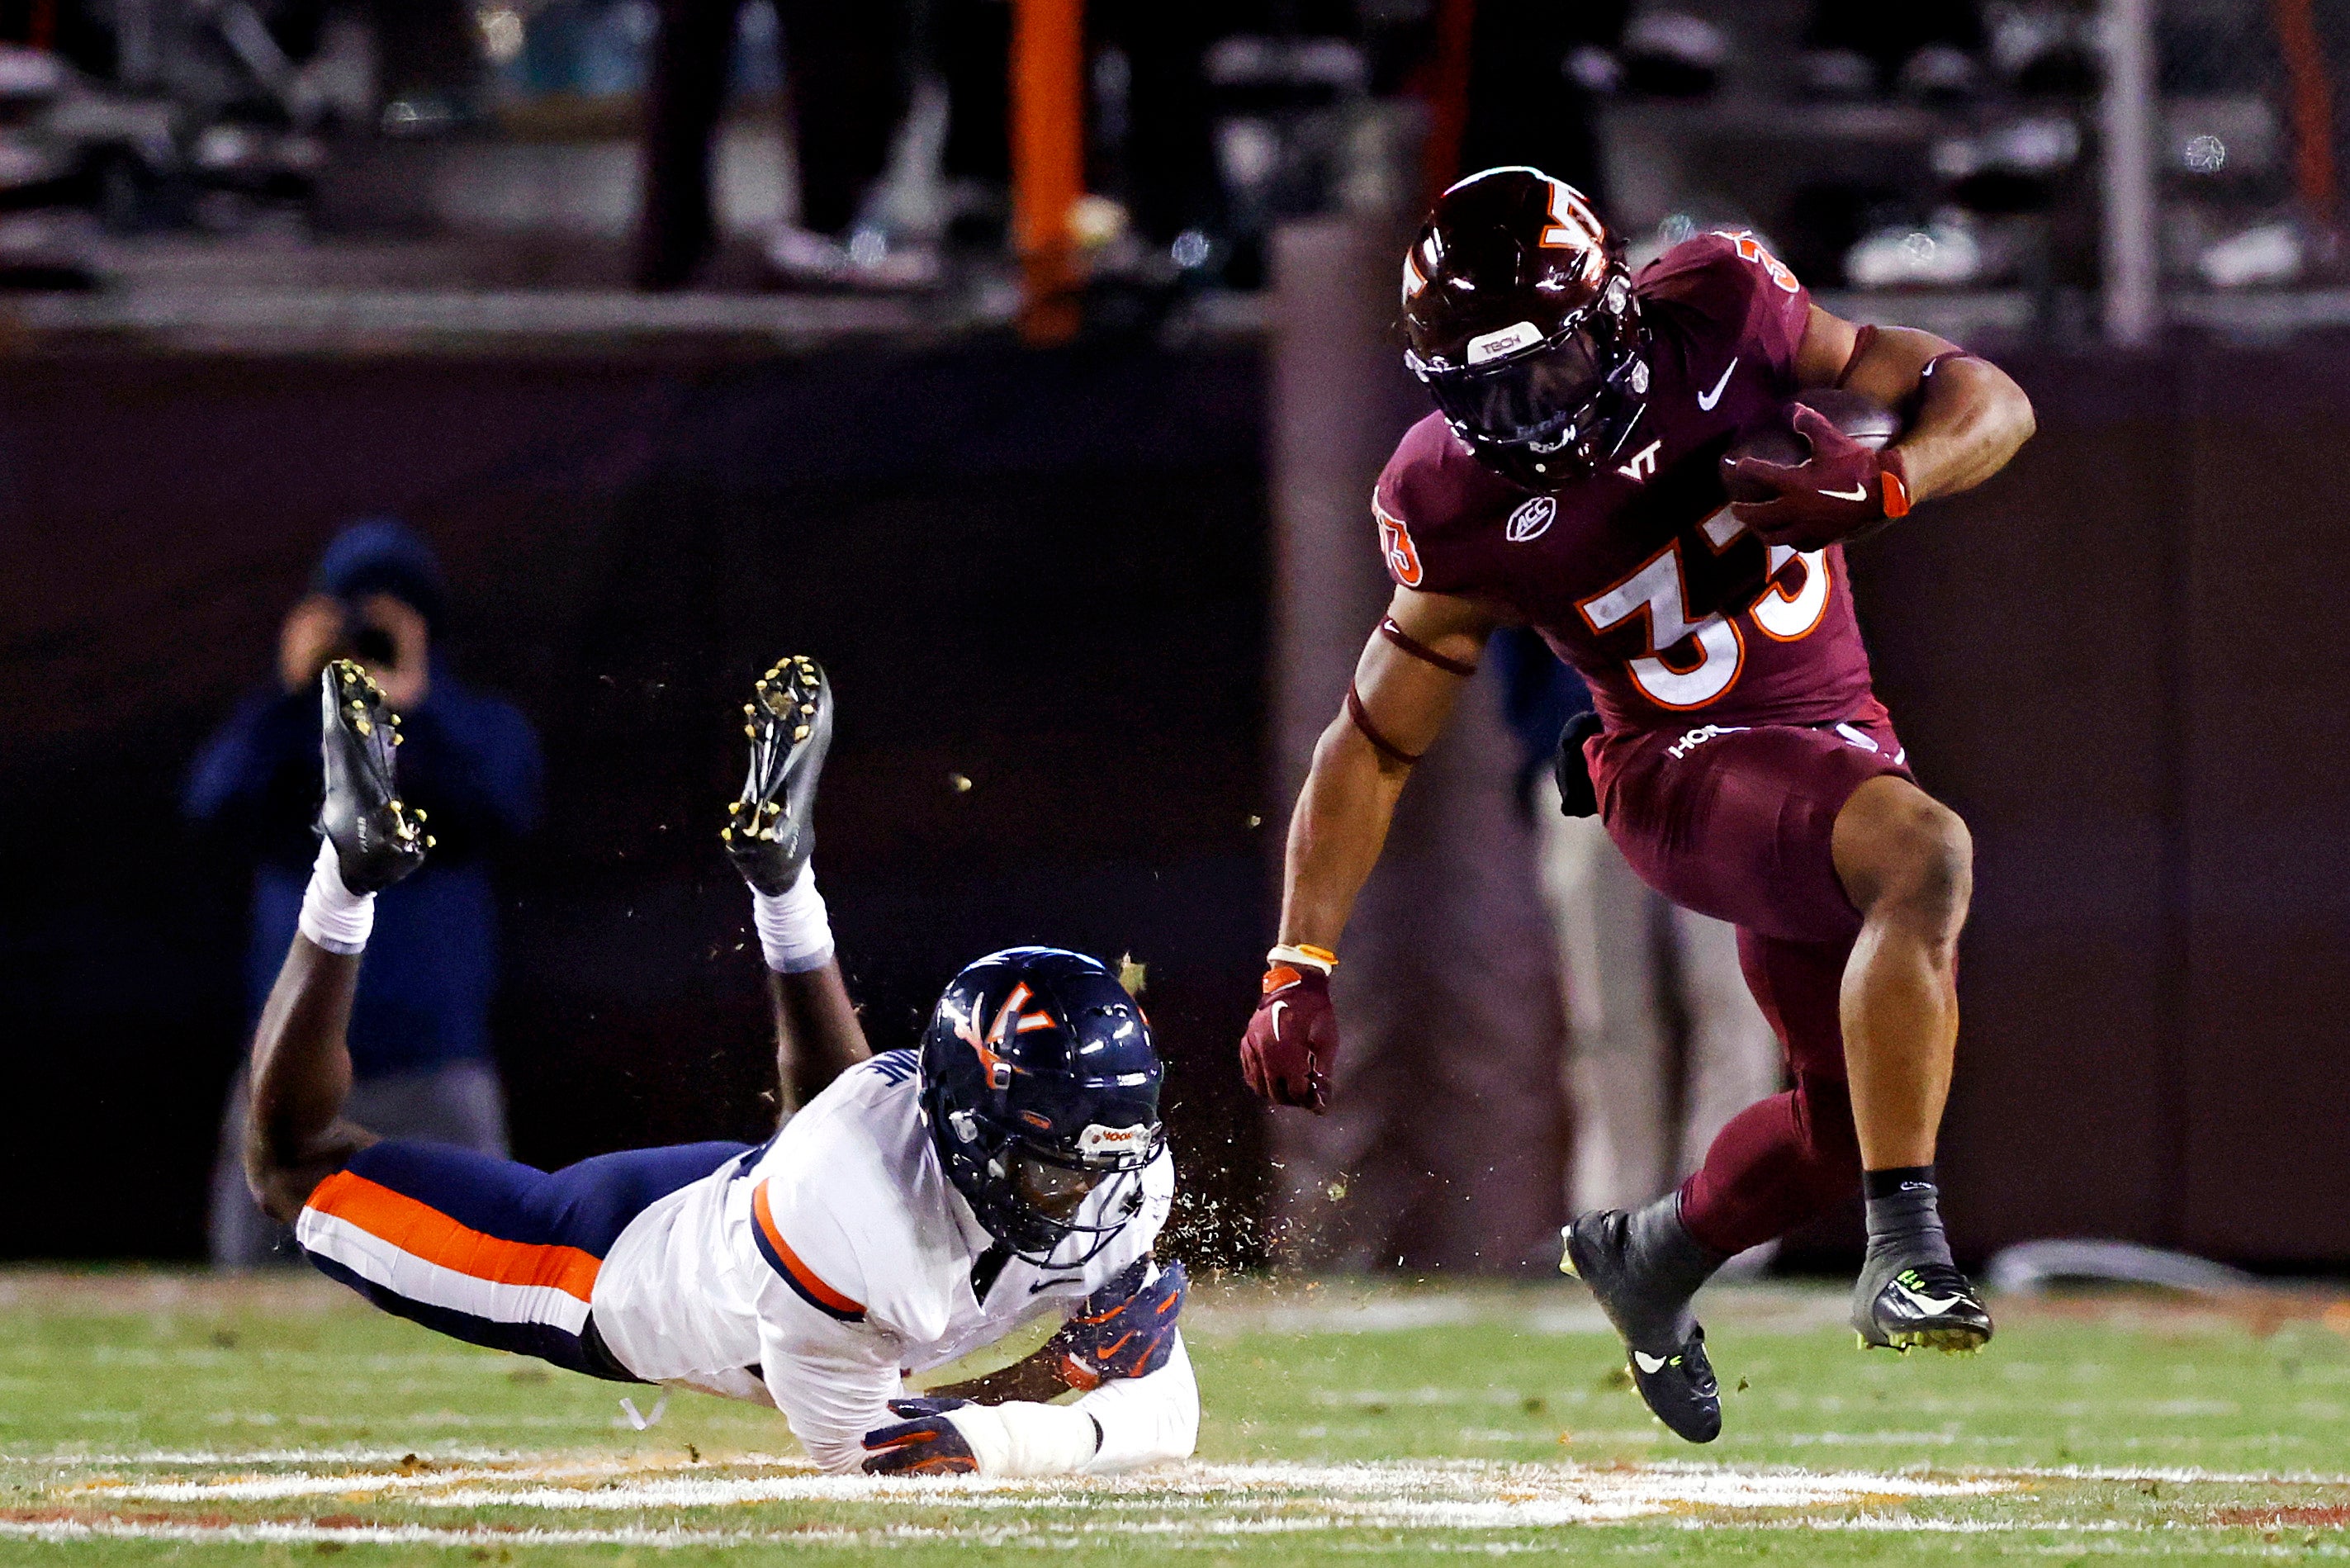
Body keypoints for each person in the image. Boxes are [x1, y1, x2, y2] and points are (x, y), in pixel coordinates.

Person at [1237, 166, 2035, 1442]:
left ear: (1612, 311)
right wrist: (1298, 958)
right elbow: (1374, 739)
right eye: (1480, 390)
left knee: (1841, 1122)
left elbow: (1983, 398)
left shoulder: (1722, 305)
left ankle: (1653, 1252)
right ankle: (1907, 1247)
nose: (1521, 413)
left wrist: (1891, 479)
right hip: (1674, 764)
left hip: (1826, 746)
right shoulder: (1445, 497)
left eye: (1540, 368)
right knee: (1924, 853)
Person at [241, 652, 1197, 1476]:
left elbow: (1172, 1417)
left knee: (848, 1176)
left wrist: (1078, 1386)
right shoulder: (844, 1217)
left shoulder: (1108, 1163)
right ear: (966, 1129)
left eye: (1095, 1163)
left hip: (783, 1209)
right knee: (293, 1163)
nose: (1078, 1196)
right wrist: (1063, 1388)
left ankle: (786, 885)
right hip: (614, 1268)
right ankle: (346, 872)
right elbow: (901, 1451)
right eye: (1047, 1166)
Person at [187, 519, 541, 1267]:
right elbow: (210, 806)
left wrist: (414, 699)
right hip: (288, 1061)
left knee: (483, 1272)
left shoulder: (471, 726)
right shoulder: (287, 735)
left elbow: (506, 803)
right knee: (250, 1288)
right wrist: (293, 695)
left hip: (433, 1063)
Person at [1495, 632, 1782, 1253]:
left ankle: (1723, 1221)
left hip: (1722, 761)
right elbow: (1512, 625)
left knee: (1734, 997)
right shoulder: (1553, 532)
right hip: (1590, 764)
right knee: (1604, 1011)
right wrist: (1549, 741)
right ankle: (1613, 1221)